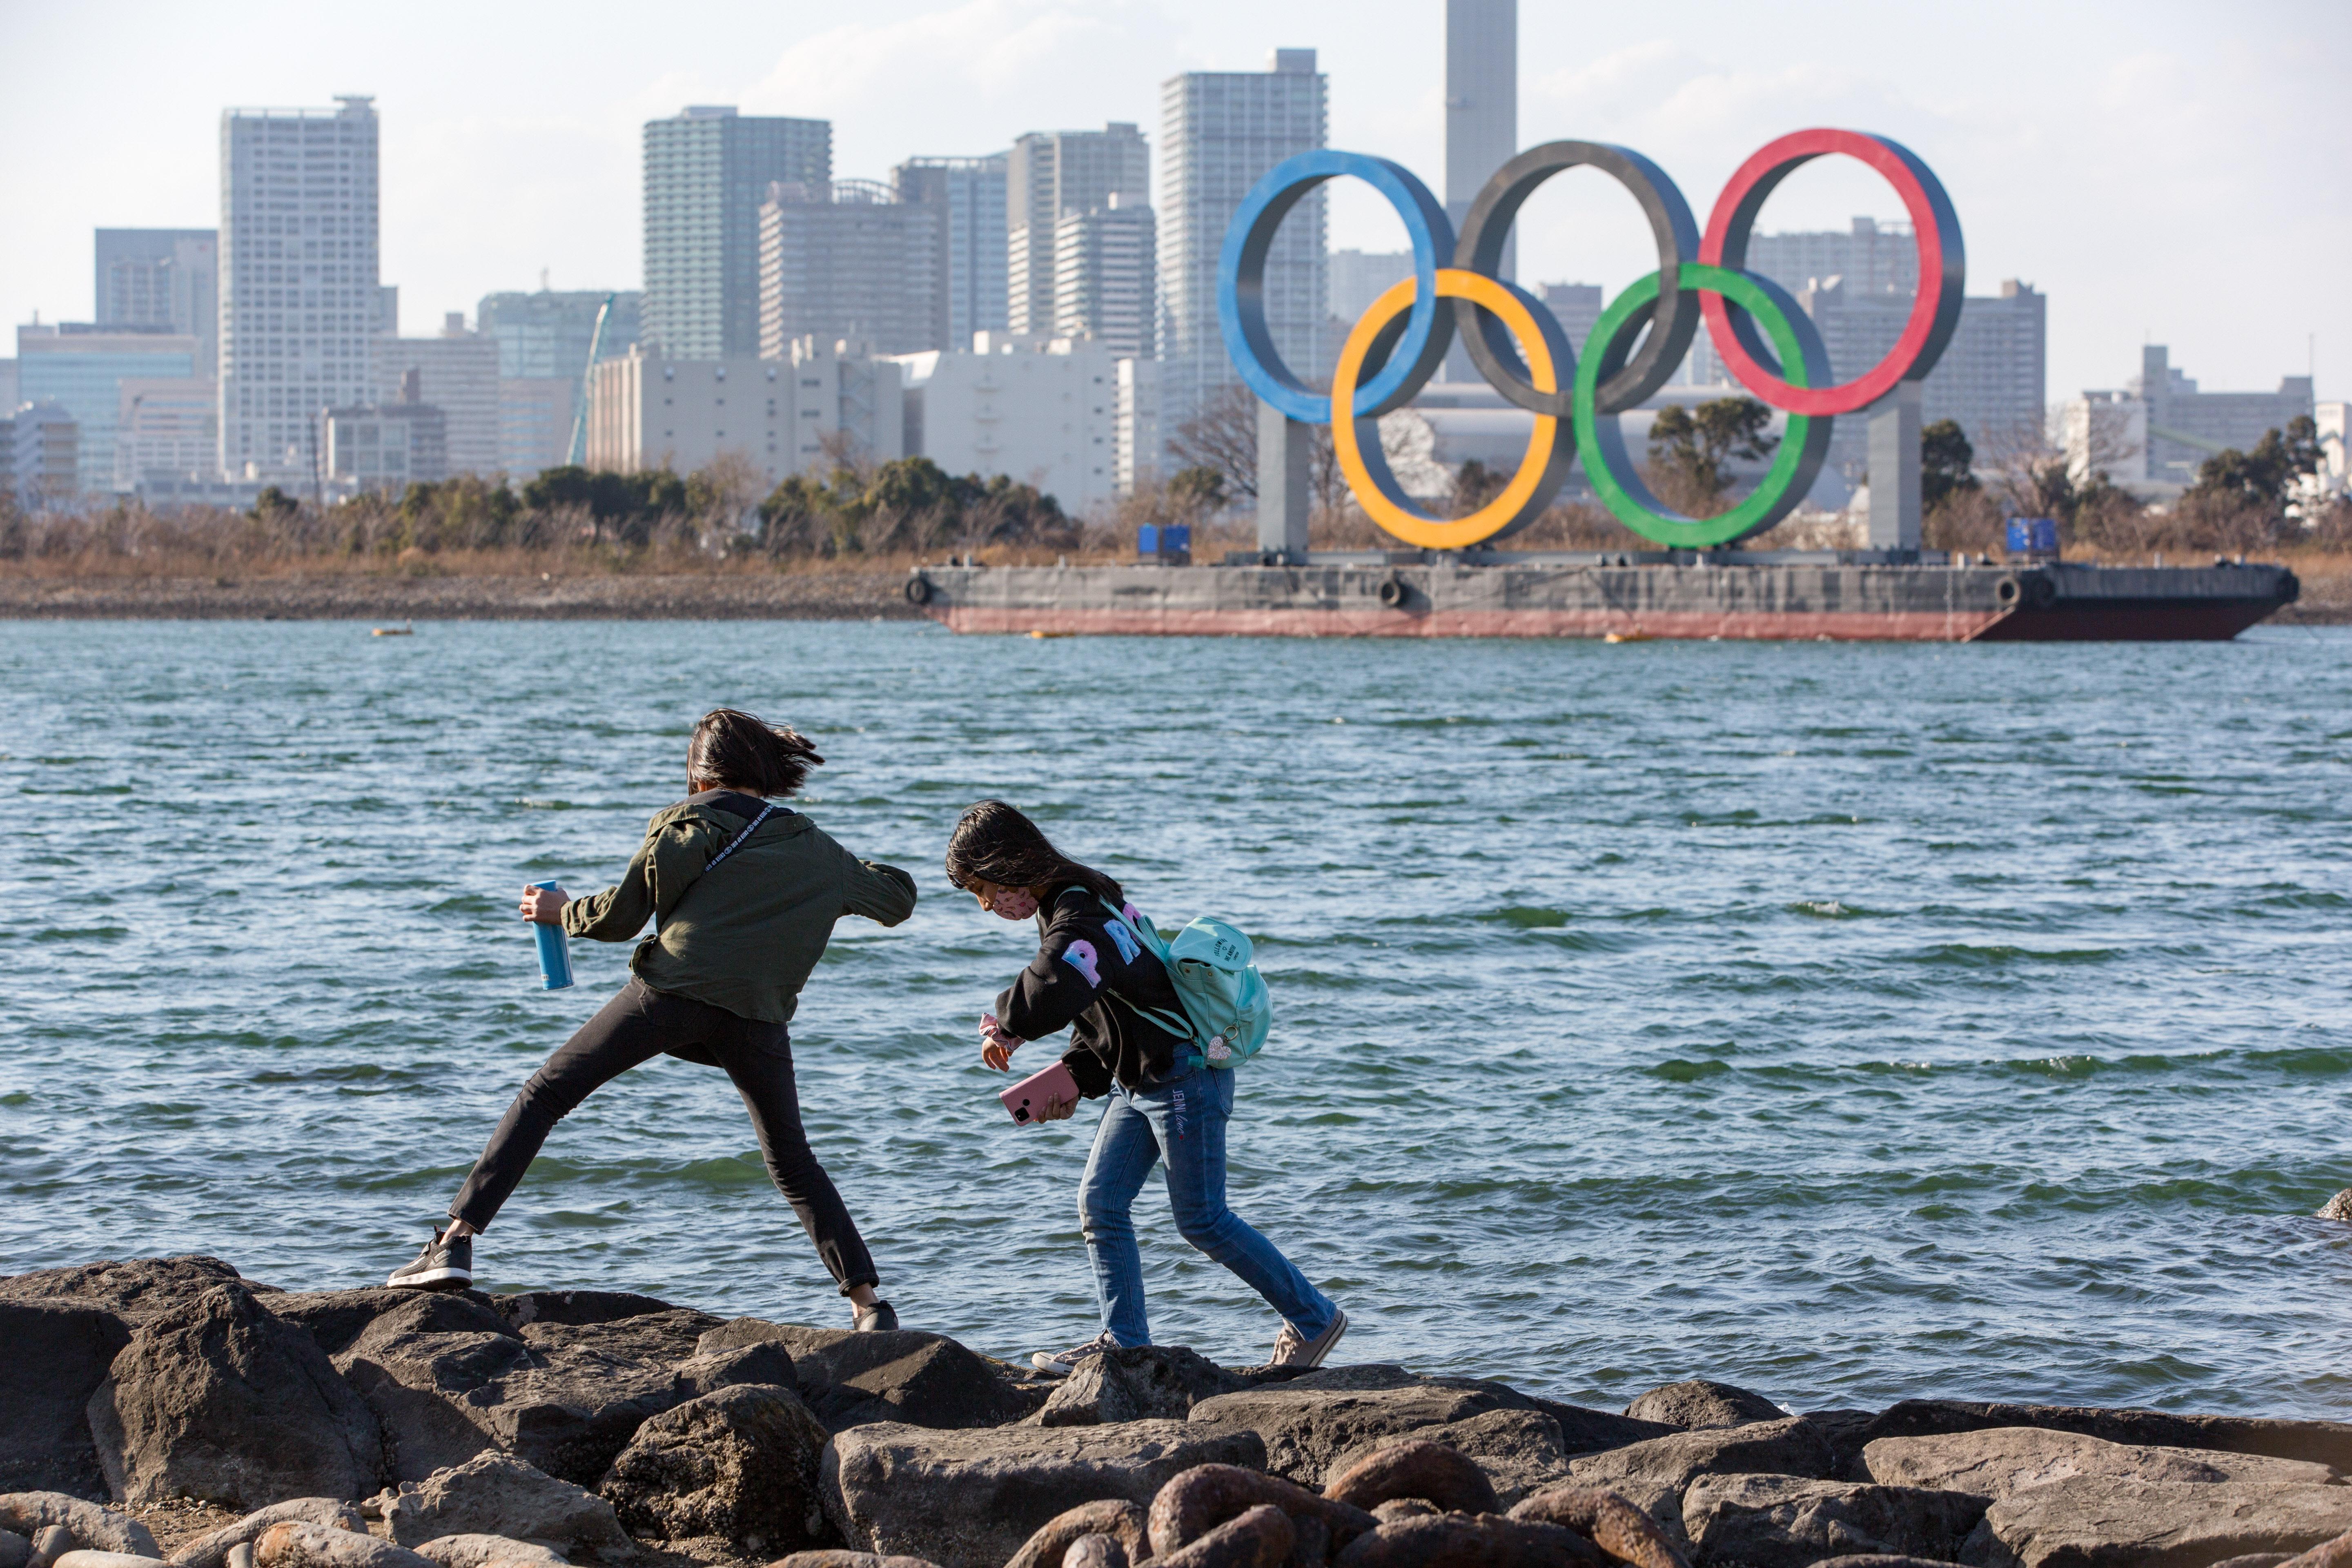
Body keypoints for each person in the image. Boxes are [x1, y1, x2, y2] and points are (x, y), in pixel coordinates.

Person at [387, 708, 917, 1331]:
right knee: (793, 1164)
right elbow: (897, 899)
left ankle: (454, 1242)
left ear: (699, 775)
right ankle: (869, 1307)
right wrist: (839, 876)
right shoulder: (815, 847)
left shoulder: (686, 824)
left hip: (671, 996)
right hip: (756, 1019)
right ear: (762, 771)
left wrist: (562, 912)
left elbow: (620, 918)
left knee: (546, 1094)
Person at [944, 800, 1346, 1375]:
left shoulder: (1079, 914)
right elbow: (1106, 1015)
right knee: (1101, 1203)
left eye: (985, 889)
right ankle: (1125, 1341)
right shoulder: (1081, 904)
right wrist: (1077, 1082)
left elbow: (1054, 984)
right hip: (1141, 1080)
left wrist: (1007, 1027)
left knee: (1204, 1220)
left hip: (1182, 1077)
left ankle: (1314, 1319)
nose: (986, 904)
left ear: (1010, 863)